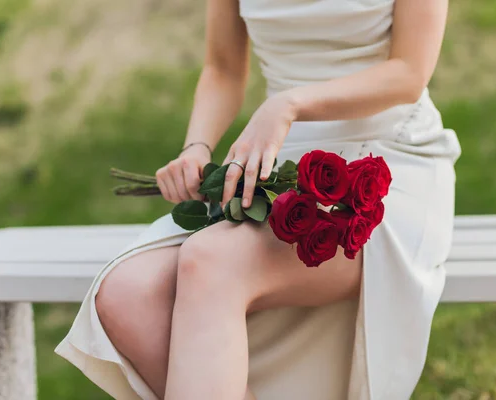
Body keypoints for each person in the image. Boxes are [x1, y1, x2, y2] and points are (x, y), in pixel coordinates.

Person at [56, 0, 461, 398]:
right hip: (273, 167)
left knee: (212, 260)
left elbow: (409, 73)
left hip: (387, 162)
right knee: (128, 294)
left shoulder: (307, 116)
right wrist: (196, 147)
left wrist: (290, 104)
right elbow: (223, 68)